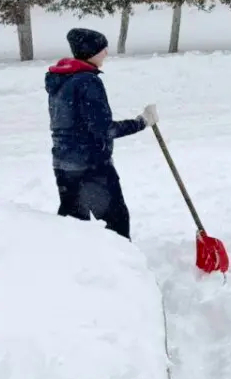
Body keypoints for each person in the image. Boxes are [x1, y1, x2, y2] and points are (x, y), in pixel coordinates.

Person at [46, 28, 157, 240]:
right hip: (91, 166)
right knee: (116, 222)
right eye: (102, 48)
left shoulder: (61, 80)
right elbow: (104, 129)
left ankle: (75, 267)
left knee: (73, 225)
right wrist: (142, 122)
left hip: (63, 164)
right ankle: (122, 267)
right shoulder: (88, 81)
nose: (106, 52)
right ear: (90, 52)